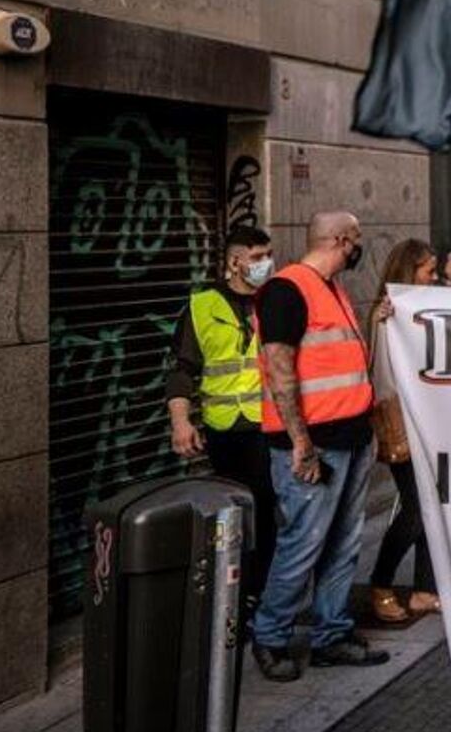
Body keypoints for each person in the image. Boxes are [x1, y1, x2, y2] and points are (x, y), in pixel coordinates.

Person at [249, 211, 389, 682]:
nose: (358, 249)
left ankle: (332, 634)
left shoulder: (334, 290)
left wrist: (376, 324)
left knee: (343, 546)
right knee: (303, 545)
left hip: (352, 438)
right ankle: (269, 636)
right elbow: (279, 371)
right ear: (342, 239)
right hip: (315, 448)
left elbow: (343, 365)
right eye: (357, 241)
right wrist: (301, 444)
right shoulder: (287, 290)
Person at [166, 226, 277, 619]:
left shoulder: (274, 300)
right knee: (239, 516)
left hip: (269, 426)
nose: (267, 263)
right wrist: (181, 423)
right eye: (259, 256)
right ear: (235, 261)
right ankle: (239, 593)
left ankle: (259, 596)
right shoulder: (201, 306)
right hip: (226, 431)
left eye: (269, 255)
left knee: (267, 511)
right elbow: (181, 371)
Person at [365, 240, 440, 624]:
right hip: (405, 426)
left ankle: (425, 590)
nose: (436, 276)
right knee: (417, 509)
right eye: (430, 270)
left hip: (427, 427)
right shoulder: (387, 315)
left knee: (429, 508)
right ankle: (381, 583)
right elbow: (385, 381)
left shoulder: (417, 310)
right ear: (411, 272)